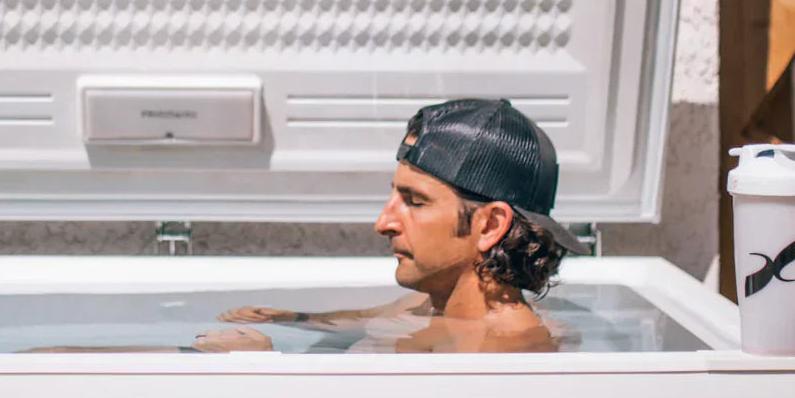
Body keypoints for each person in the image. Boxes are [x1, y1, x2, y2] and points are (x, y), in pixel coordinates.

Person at [219, 97, 588, 353]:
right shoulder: (429, 304)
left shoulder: (502, 354)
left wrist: (259, 366)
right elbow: (366, 320)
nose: (384, 223)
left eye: (415, 201)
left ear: (490, 225)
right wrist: (293, 319)